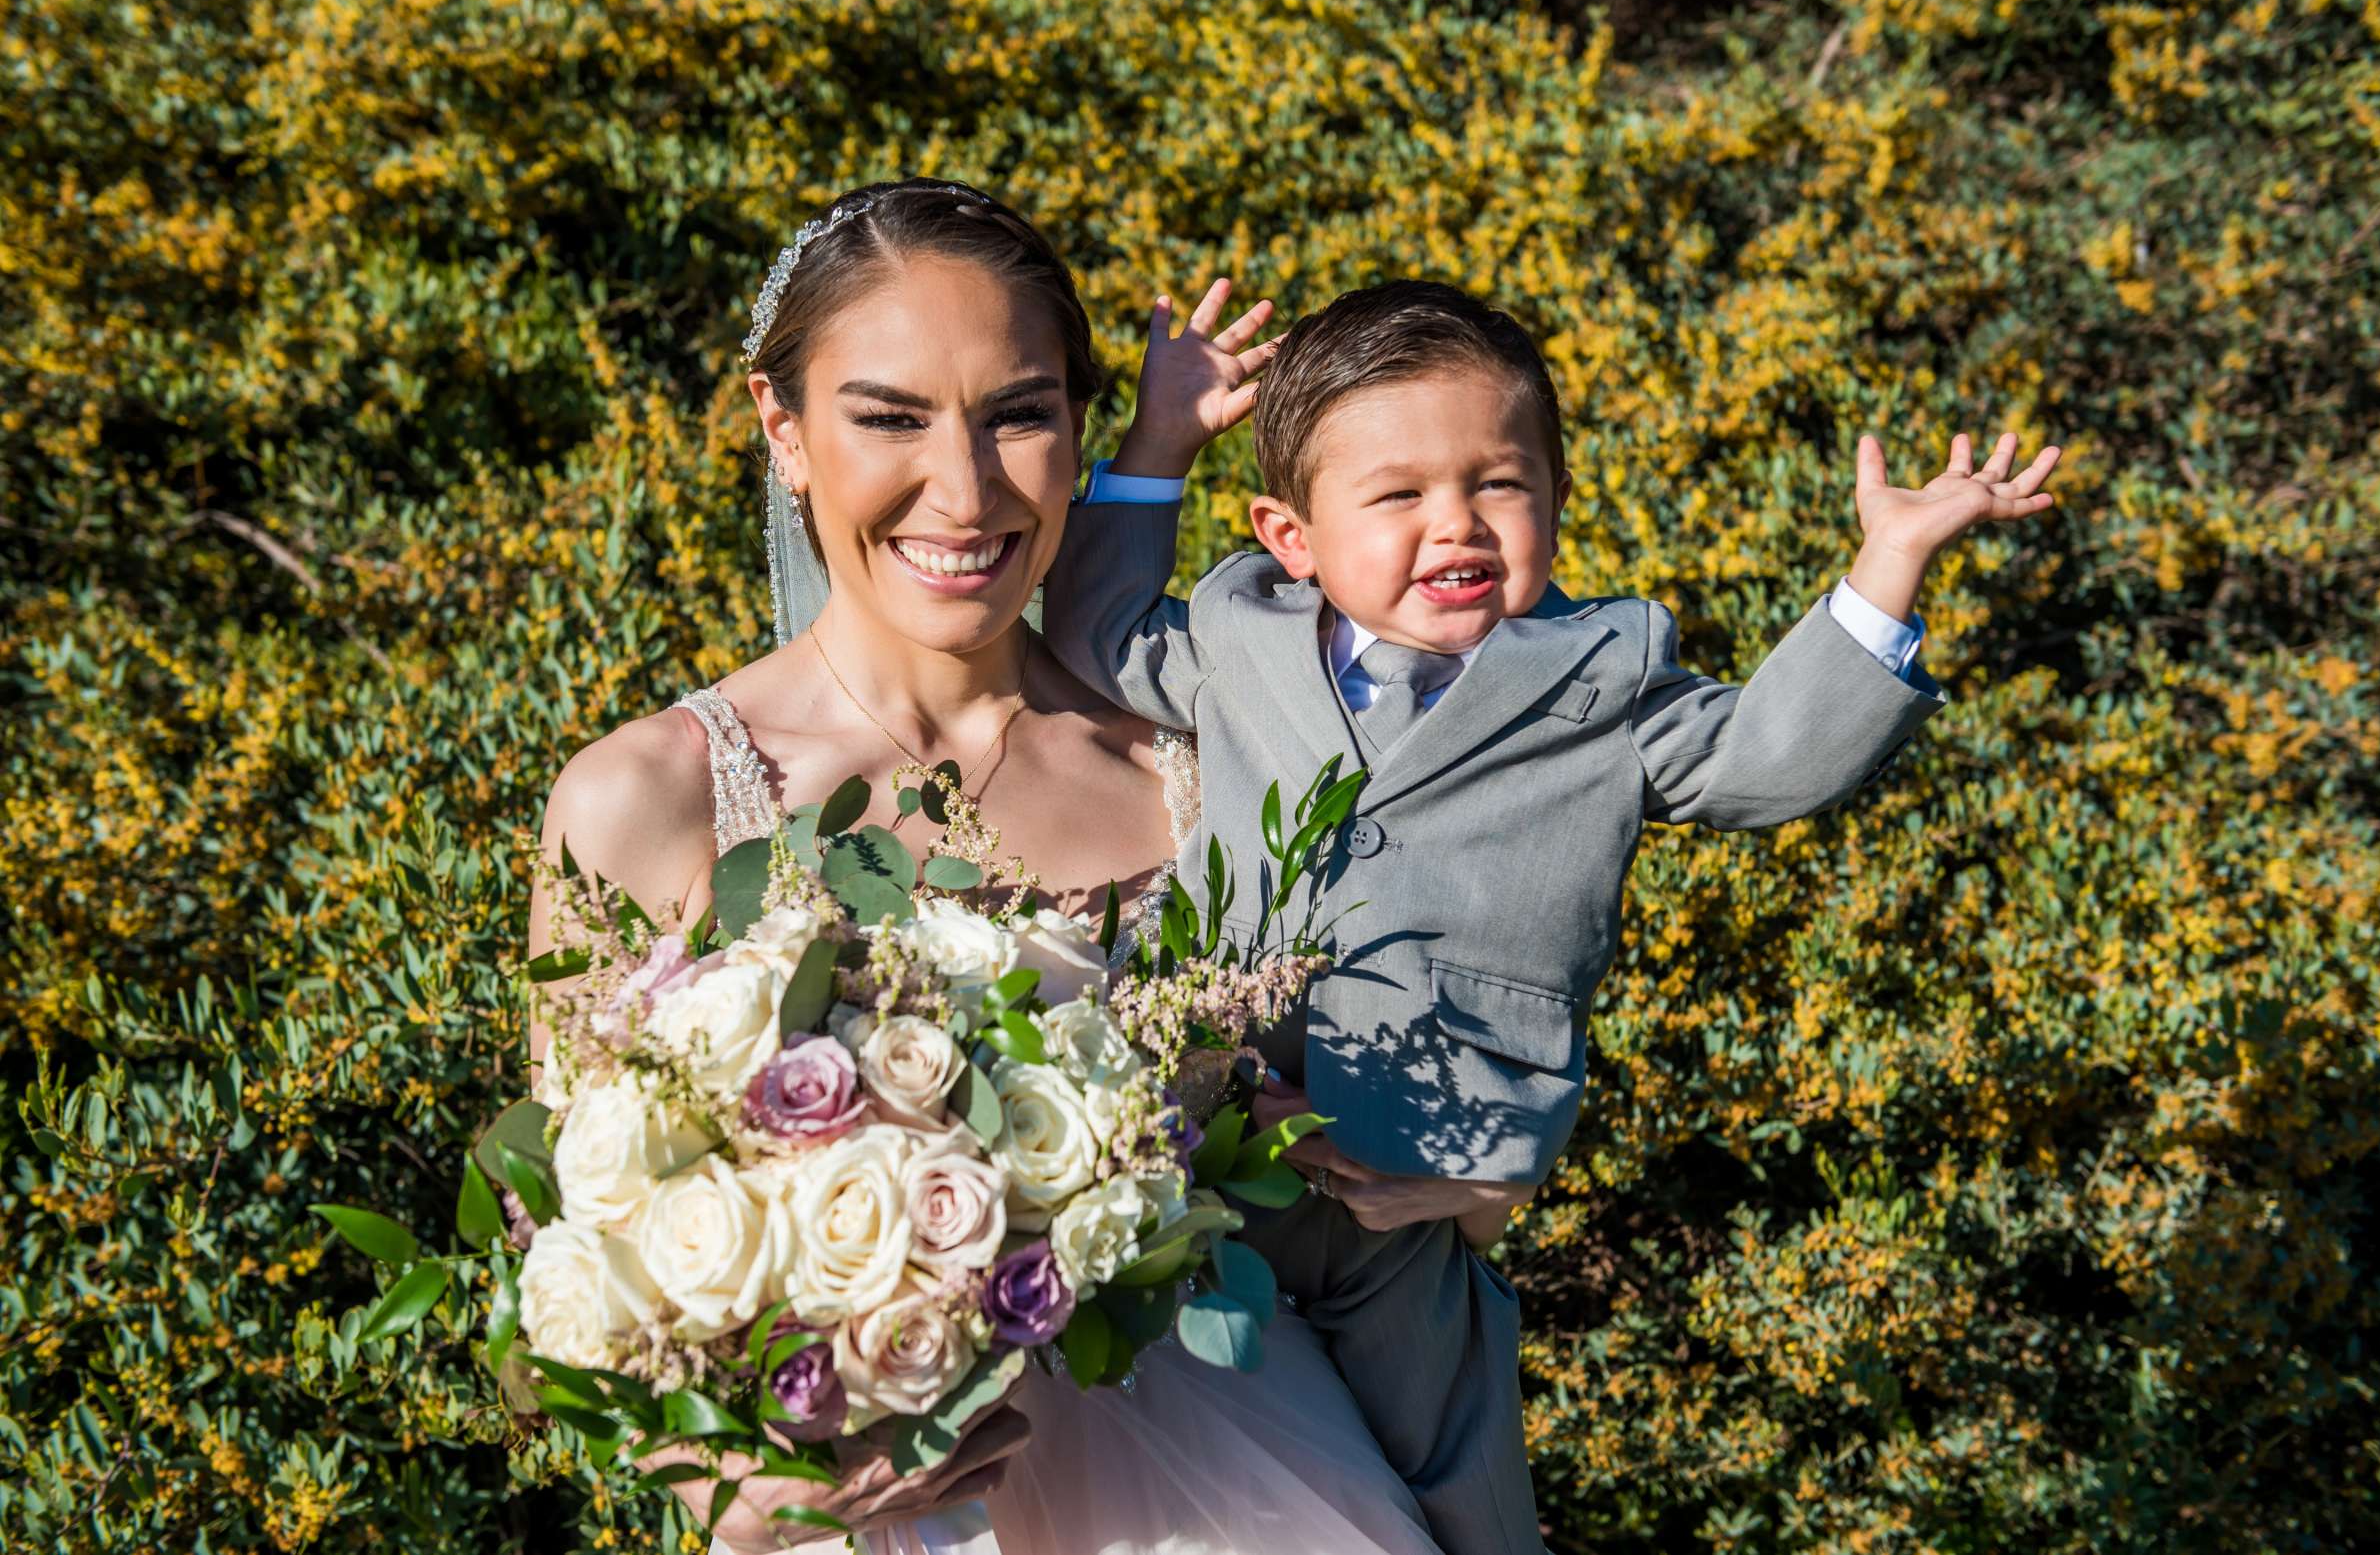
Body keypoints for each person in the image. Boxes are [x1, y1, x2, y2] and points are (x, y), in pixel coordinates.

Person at [1044, 277, 2064, 1554]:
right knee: (1185, 1454)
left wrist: (1887, 566)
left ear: (1555, 501)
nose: (1457, 523)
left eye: (1499, 483)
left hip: (1418, 1170)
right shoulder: (1246, 632)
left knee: (1455, 1481)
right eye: (1400, 494)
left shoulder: (1605, 678)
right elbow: (1096, 630)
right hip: (1194, 1147)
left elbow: (1765, 760)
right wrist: (1157, 445)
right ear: (1291, 535)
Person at [530, 179, 1441, 1553]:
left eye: (1018, 413)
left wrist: (1480, 1176)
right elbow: (558, 1270)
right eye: (887, 417)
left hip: (1236, 1486)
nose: (962, 491)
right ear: (784, 432)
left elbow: (1368, 1112)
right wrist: (721, 1480)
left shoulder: (1201, 766)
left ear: (1080, 431)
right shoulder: (644, 801)